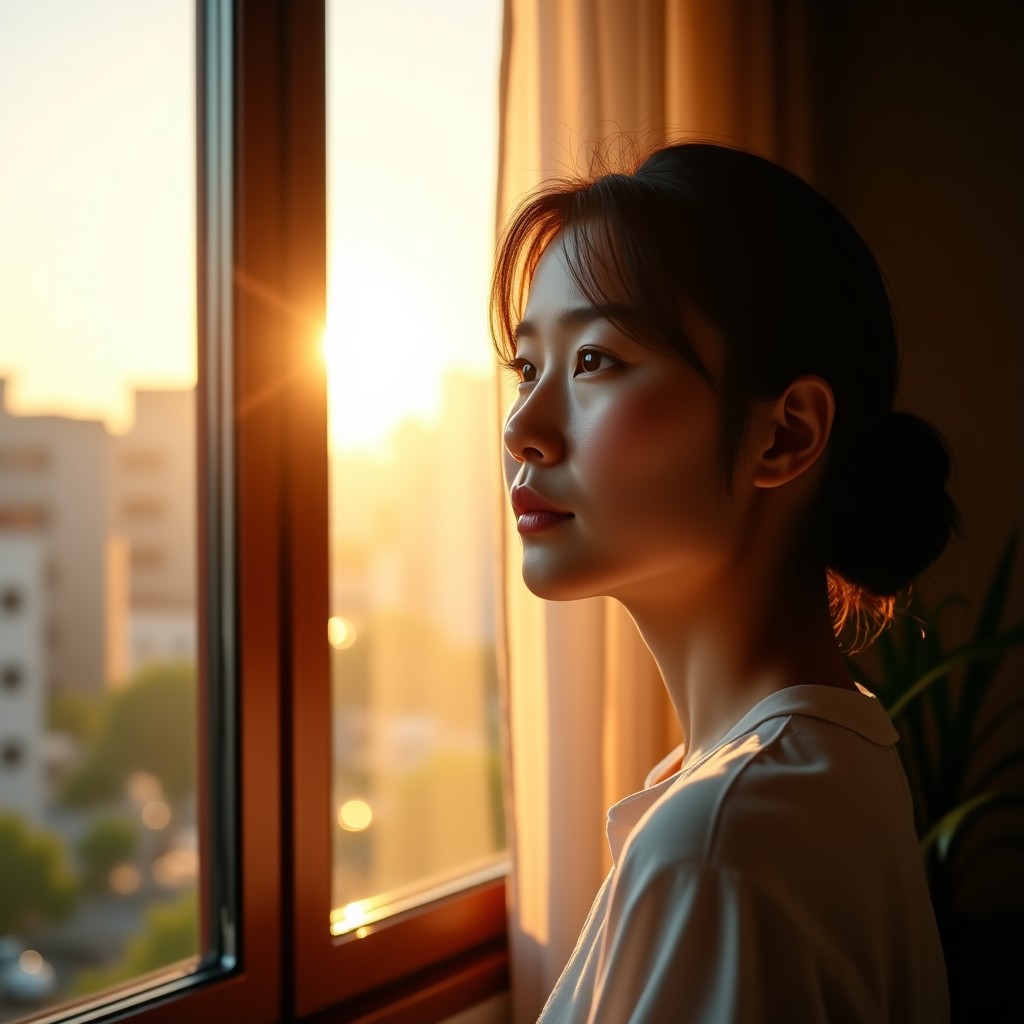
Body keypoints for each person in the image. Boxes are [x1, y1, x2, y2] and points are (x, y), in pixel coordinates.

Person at [491, 142, 955, 1023]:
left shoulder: (718, 841)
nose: (523, 428)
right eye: (527, 368)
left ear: (784, 437)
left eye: (595, 361)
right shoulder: (824, 756)